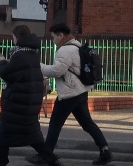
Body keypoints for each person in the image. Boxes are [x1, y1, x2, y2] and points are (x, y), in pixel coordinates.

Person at [25, 23, 113, 165]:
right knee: (87, 124)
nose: (52, 40)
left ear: (61, 35)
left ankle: (45, 155)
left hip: (69, 93)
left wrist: (38, 66)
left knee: (55, 124)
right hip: (80, 91)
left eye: (53, 37)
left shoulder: (65, 50)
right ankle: (105, 151)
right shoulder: (76, 46)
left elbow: (56, 71)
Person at [0, 25, 63, 166]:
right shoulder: (32, 54)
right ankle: (53, 160)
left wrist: (1, 61)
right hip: (28, 102)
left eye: (13, 37)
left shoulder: (20, 55)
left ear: (18, 37)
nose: (13, 40)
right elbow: (19, 74)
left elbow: (6, 73)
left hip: (16, 103)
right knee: (33, 137)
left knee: (4, 136)